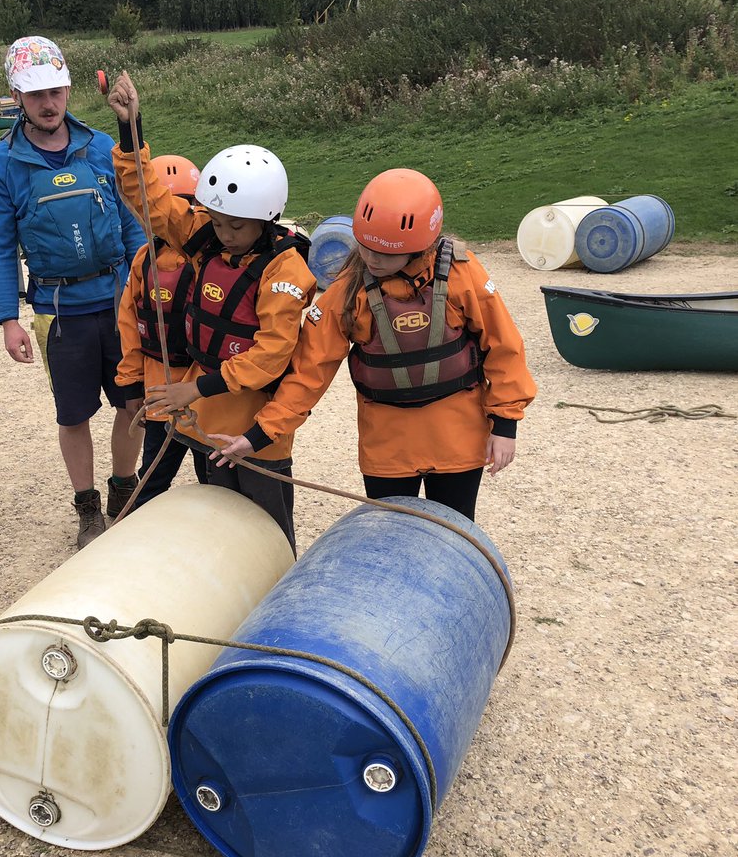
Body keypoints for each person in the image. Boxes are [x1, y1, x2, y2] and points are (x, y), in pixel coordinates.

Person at [209, 168, 537, 523]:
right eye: (365, 247)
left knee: (453, 531)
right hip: (388, 445)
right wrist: (258, 435)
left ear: (420, 249)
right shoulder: (349, 290)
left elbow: (503, 346)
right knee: (389, 535)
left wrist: (505, 426)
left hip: (458, 438)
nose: (371, 259)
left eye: (384, 253)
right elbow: (309, 371)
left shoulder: (461, 273)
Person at [106, 71, 317, 553]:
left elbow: (270, 355)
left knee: (268, 532)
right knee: (222, 529)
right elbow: (150, 200)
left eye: (235, 226)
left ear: (266, 220)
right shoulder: (207, 240)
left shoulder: (284, 270)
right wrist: (131, 131)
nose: (222, 233)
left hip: (256, 430)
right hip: (206, 422)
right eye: (216, 220)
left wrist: (193, 387)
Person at [0, 35, 147, 549]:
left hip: (118, 301)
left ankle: (124, 489)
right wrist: (8, 318)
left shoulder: (101, 147)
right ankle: (87, 507)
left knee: (134, 402)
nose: (48, 103)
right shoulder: (2, 163)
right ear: (16, 97)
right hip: (59, 312)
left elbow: (133, 220)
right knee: (73, 415)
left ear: (69, 88)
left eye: (55, 90)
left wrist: (150, 284)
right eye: (35, 94)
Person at [115, 153, 209, 507]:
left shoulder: (211, 262)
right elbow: (129, 326)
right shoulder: (143, 260)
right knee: (153, 480)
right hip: (160, 396)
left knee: (210, 480)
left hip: (201, 396)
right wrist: (128, 383)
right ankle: (133, 539)